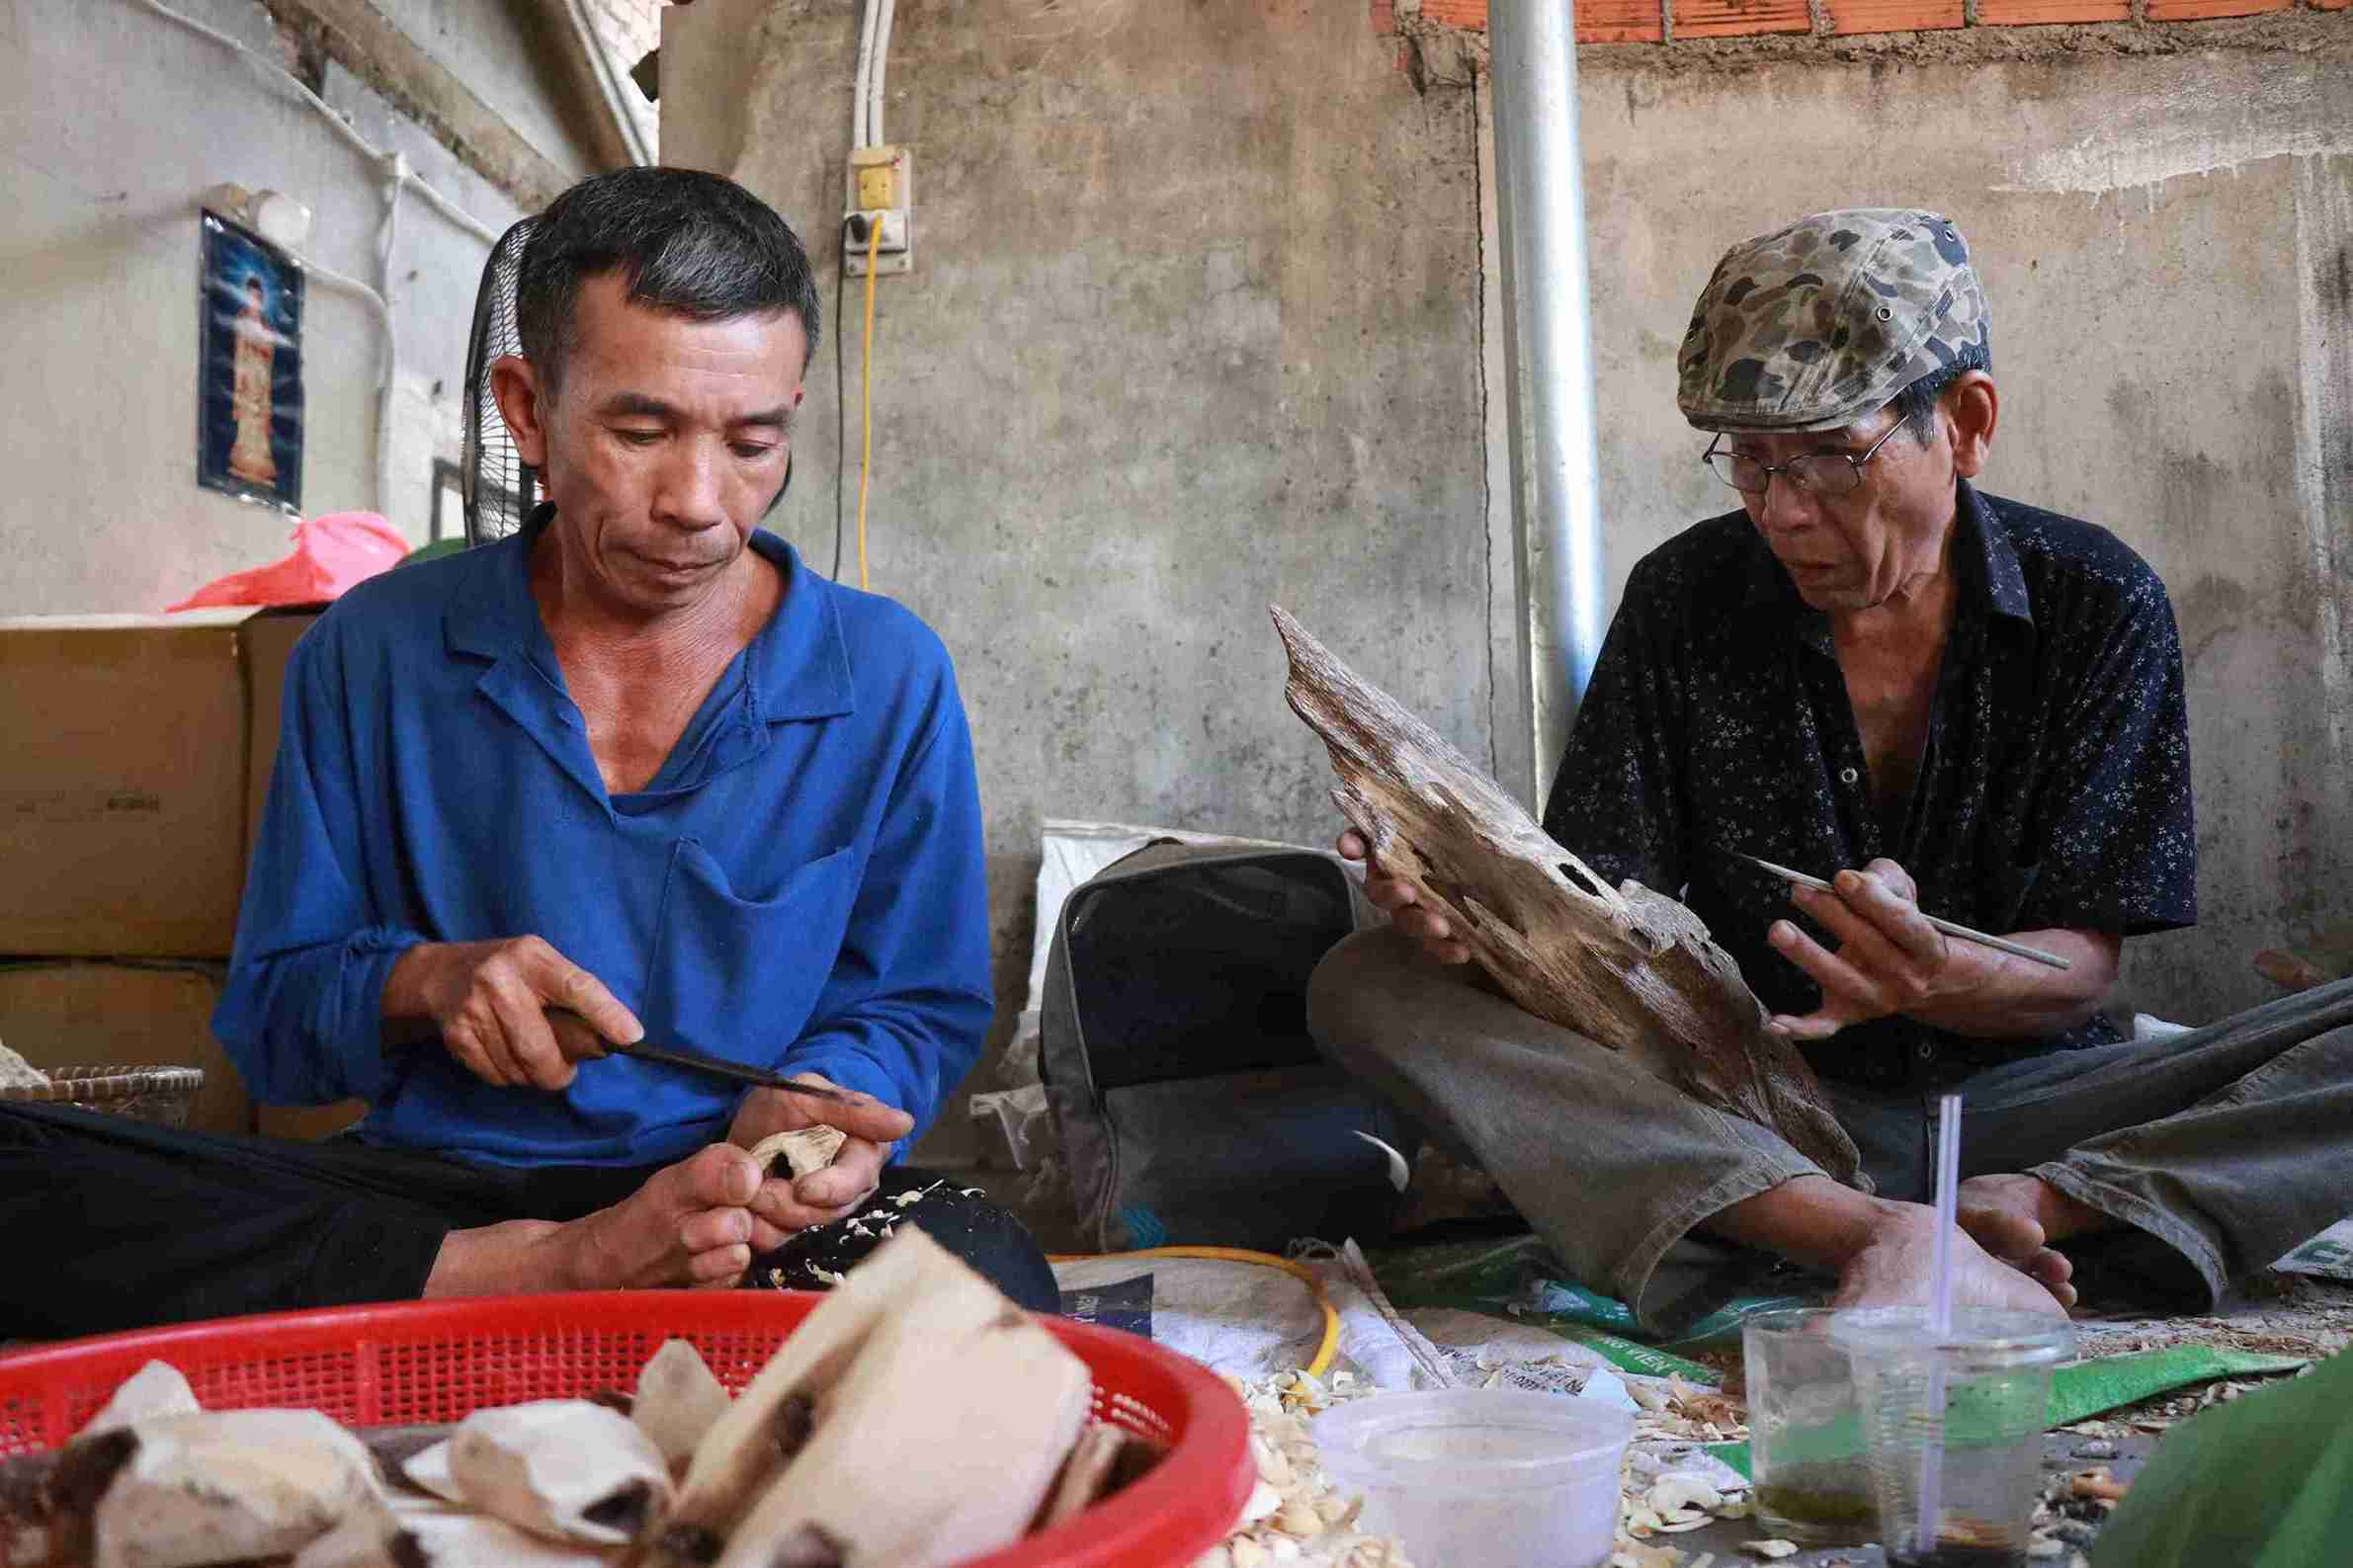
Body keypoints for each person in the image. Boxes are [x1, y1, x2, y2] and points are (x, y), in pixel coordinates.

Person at [0, 168, 1053, 1339]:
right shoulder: (375, 651)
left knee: (976, 1272)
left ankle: (498, 1305)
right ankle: (534, 1277)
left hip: (732, 1209)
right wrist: (430, 981)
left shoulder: (883, 673)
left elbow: (915, 1003)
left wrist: (811, 1113)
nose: (699, 502)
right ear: (526, 409)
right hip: (443, 1210)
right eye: (639, 430)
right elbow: (277, 1025)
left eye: (754, 440)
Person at [1312, 207, 2353, 1334]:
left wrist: (1940, 972)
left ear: (1963, 422)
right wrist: (1476, 923)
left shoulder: (2095, 601)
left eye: (1828, 457)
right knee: (1365, 982)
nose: (1782, 511)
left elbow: (2083, 972)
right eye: (1750, 464)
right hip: (1751, 1105)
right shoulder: (1683, 600)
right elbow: (1599, 924)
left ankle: (2039, 1209)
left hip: (2036, 1110)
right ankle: (1880, 1235)